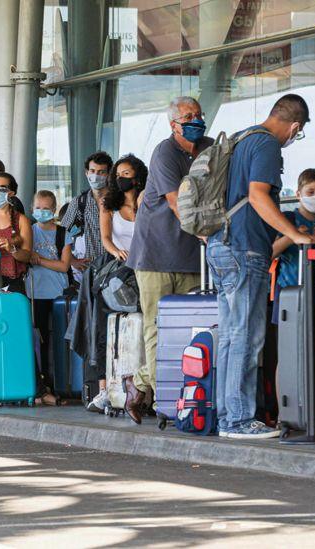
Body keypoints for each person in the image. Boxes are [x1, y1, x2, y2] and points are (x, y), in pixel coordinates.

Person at [207, 94, 314, 439]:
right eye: (296, 134)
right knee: (245, 336)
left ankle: (227, 416)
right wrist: (293, 234)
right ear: (294, 126)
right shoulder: (268, 145)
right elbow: (257, 195)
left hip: (221, 245)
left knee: (230, 335)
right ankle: (238, 420)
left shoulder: (242, 139)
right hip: (243, 248)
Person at [123, 97, 212, 424]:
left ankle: (140, 380)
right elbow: (176, 201)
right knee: (159, 327)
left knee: (191, 329)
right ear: (174, 124)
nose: (196, 120)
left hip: (190, 254)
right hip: (156, 253)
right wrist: (204, 231)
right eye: (188, 116)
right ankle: (166, 400)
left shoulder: (208, 148)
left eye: (199, 115)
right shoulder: (165, 152)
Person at [27, 190, 73, 405]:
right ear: (32, 208)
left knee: (57, 343)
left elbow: (64, 266)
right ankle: (42, 387)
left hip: (57, 295)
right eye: (38, 208)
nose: (42, 212)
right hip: (34, 294)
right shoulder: (28, 231)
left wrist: (39, 260)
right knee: (38, 342)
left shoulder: (64, 233)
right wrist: (43, 261)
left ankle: (59, 386)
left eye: (46, 208)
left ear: (54, 210)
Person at [272, 169, 315, 313]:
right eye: (310, 192)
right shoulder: (287, 219)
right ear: (298, 194)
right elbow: (270, 252)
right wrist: (293, 236)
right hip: (289, 292)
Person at [59, 151, 113, 274]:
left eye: (101, 172)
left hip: (116, 266)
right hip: (91, 270)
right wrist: (72, 261)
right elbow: (61, 235)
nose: (96, 176)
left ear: (109, 175)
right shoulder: (79, 203)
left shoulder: (118, 202)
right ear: (86, 173)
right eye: (92, 171)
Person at [99, 154, 146, 262]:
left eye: (126, 173)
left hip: (147, 262)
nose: (120, 178)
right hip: (121, 262)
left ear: (138, 177)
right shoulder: (108, 205)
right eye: (118, 175)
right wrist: (116, 252)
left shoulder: (148, 202)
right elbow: (105, 237)